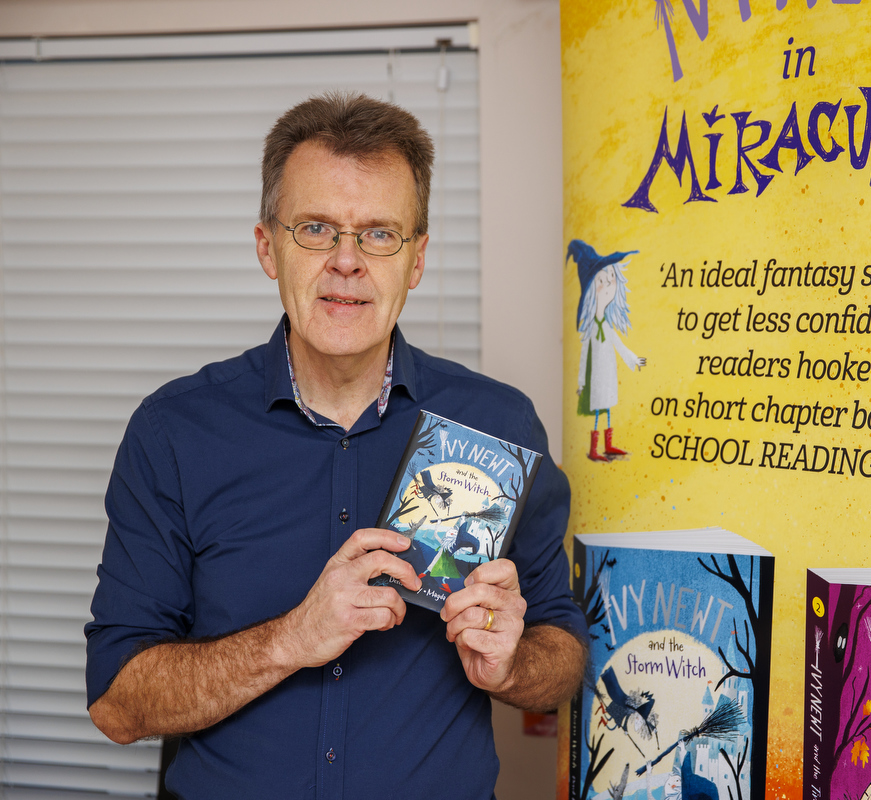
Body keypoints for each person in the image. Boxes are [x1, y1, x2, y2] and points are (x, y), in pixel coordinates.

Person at [85, 93, 587, 798]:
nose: (347, 261)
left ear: (416, 260)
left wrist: (512, 666)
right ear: (268, 246)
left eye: (380, 234)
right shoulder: (173, 432)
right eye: (317, 228)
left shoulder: (499, 425)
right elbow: (116, 702)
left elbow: (563, 659)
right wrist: (292, 638)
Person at [566, 239, 647, 462]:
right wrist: (581, 383)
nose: (609, 283)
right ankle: (594, 449)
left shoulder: (608, 327)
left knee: (608, 406)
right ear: (592, 289)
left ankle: (609, 445)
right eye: (602, 280)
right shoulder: (592, 328)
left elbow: (620, 346)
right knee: (598, 411)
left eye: (611, 278)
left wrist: (633, 360)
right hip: (596, 377)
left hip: (608, 374)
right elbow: (583, 356)